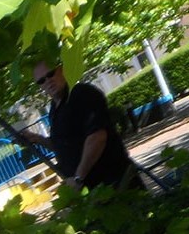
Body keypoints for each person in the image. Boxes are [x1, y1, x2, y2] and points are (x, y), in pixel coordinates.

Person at [23, 61, 141, 191]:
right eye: (41, 81)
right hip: (92, 189)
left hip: (114, 182)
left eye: (51, 74)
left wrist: (78, 178)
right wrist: (38, 139)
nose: (48, 81)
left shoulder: (82, 94)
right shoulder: (54, 109)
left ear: (62, 70)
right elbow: (65, 146)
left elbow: (97, 137)